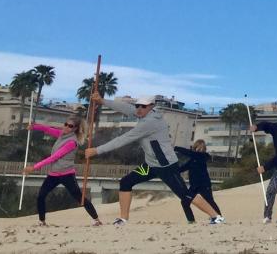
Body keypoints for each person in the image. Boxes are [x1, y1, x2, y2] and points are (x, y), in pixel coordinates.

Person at [86, 94, 223, 226]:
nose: (139, 109)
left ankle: (216, 217)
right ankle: (123, 218)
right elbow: (126, 108)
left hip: (166, 166)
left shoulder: (150, 123)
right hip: (151, 165)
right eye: (138, 106)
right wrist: (102, 101)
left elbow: (123, 139)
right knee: (126, 182)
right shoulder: (145, 113)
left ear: (151, 106)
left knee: (185, 195)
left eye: (143, 106)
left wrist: (96, 150)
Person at [23, 115, 102, 226]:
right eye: (65, 124)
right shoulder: (61, 135)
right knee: (41, 196)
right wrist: (34, 126)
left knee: (79, 198)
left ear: (75, 129)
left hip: (67, 175)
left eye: (70, 126)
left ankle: (96, 219)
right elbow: (47, 129)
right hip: (53, 174)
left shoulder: (72, 142)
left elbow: (54, 157)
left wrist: (34, 167)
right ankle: (42, 221)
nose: (66, 127)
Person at [175, 139, 221, 223]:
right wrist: (171, 171)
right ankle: (191, 220)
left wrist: (176, 148)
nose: (200, 150)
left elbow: (189, 153)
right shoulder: (192, 160)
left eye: (202, 148)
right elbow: (182, 168)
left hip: (204, 184)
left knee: (210, 201)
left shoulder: (203, 156)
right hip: (194, 186)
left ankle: (218, 218)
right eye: (198, 148)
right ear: (195, 147)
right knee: (185, 201)